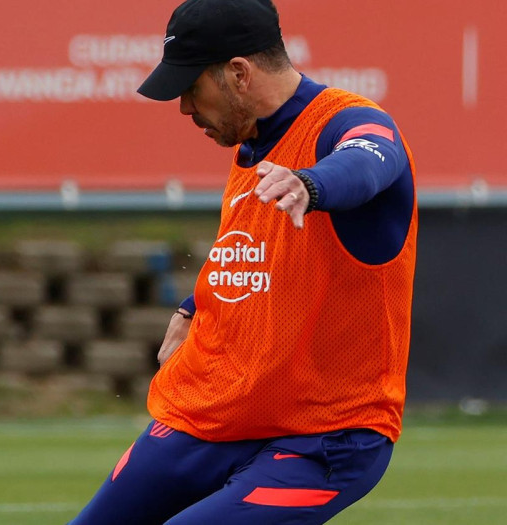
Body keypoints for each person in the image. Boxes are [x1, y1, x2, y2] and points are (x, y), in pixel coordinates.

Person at [68, 0, 417, 523]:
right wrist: (191, 307)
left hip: (324, 438)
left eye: (191, 89)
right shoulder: (251, 144)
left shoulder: (349, 122)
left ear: (238, 74)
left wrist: (312, 183)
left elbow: (374, 158)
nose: (185, 108)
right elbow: (257, 250)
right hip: (219, 413)